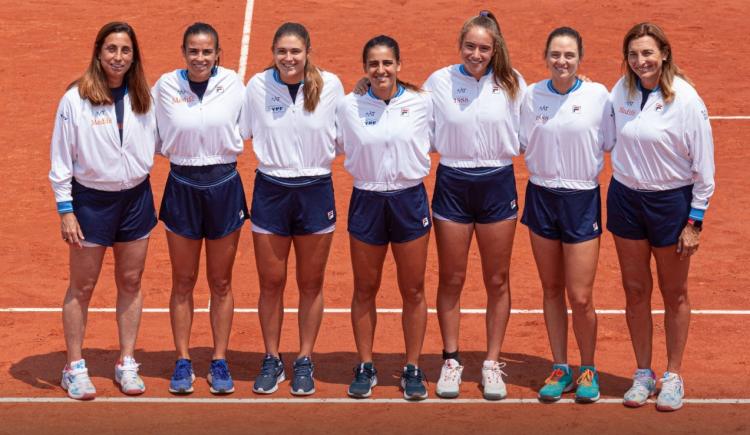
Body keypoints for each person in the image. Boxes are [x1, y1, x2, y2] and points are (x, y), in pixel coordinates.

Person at [609, 22, 715, 412]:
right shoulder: (621, 90)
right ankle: (642, 373)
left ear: (664, 53)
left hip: (670, 203)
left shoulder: (686, 100)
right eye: (634, 54)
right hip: (624, 199)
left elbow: (705, 168)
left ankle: (672, 374)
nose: (641, 61)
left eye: (648, 53)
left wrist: (694, 221)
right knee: (635, 290)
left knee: (674, 293)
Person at [49, 21, 157, 400]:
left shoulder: (145, 95)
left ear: (134, 55)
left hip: (136, 200)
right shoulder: (75, 99)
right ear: (98, 52)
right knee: (83, 286)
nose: (118, 57)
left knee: (131, 282)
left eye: (125, 50)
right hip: (91, 202)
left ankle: (126, 361)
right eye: (111, 49)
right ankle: (74, 367)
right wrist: (66, 209)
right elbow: (61, 159)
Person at [240, 22, 344, 396]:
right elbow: (240, 131)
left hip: (315, 189)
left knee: (311, 283)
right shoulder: (256, 86)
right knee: (271, 283)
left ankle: (303, 359)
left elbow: (344, 134)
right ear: (274, 52)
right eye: (282, 51)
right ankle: (271, 357)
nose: (288, 58)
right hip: (271, 189)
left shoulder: (331, 86)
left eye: (295, 51)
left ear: (307, 52)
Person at [426, 11, 526, 400]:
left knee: (497, 279)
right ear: (460, 46)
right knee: (451, 278)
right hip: (452, 181)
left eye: (484, 47)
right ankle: (451, 359)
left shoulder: (514, 83)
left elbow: (527, 134)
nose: (476, 53)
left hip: (497, 183)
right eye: (470, 46)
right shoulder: (439, 81)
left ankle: (491, 363)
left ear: (495, 48)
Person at [519, 27, 613, 403]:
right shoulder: (531, 96)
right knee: (551, 289)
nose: (562, 61)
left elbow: (608, 141)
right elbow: (522, 138)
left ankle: (587, 366)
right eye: (556, 55)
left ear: (580, 59)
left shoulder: (598, 96)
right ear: (546, 57)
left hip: (580, 199)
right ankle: (560, 366)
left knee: (581, 295)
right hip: (541, 195)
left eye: (569, 55)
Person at [337, 35, 433, 401]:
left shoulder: (423, 103)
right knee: (365, 287)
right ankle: (365, 364)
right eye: (374, 64)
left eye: (387, 63)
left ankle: (411, 366)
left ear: (399, 65)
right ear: (365, 69)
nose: (381, 70)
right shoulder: (349, 106)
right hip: (367, 198)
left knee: (413, 289)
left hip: (409, 199)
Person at [153, 22, 247, 395]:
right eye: (194, 51)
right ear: (184, 52)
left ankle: (220, 359)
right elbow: (135, 107)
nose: (200, 58)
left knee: (221, 282)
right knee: (183, 281)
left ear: (218, 54)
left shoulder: (235, 85)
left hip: (224, 185)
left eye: (207, 51)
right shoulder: (165, 86)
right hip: (182, 185)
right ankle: (182, 359)